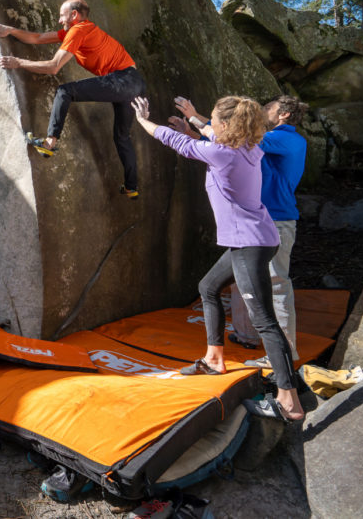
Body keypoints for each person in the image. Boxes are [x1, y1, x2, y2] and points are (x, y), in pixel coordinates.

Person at [130, 95, 304, 421]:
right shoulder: (251, 149)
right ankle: (213, 358)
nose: (211, 123)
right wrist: (198, 123)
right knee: (208, 287)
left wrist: (143, 121)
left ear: (227, 125)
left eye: (214, 118)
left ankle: (289, 402)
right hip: (254, 239)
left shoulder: (224, 156)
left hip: (250, 243)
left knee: (265, 321)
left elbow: (175, 141)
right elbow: (208, 136)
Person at [173, 95, 309, 365]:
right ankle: (246, 335)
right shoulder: (261, 142)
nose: (261, 112)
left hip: (275, 220)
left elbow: (234, 140)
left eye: (267, 108)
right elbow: (226, 151)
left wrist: (194, 116)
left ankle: (284, 355)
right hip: (252, 224)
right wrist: (192, 132)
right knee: (240, 281)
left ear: (283, 114)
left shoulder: (288, 139)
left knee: (275, 284)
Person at [0, 0, 147, 198]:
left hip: (124, 79)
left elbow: (54, 67)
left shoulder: (78, 30)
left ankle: (49, 143)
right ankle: (131, 187)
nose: (59, 20)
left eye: (61, 15)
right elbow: (37, 38)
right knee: (121, 137)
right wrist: (10, 30)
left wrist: (19, 62)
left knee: (65, 91)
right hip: (136, 85)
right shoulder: (76, 31)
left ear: (74, 15)